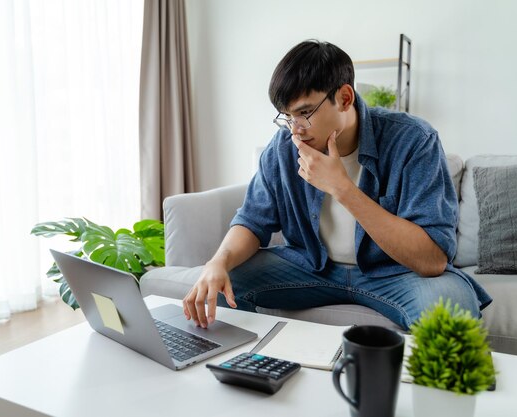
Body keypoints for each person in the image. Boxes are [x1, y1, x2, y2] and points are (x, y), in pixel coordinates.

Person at [182, 39, 491, 330]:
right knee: (220, 283)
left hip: (394, 274)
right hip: (312, 268)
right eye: (287, 117)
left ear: (344, 98)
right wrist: (217, 262)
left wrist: (342, 188)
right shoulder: (283, 147)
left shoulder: (413, 140)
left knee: (453, 313)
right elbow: (252, 220)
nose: (296, 130)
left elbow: (433, 258)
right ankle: (251, 372)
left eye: (304, 113)